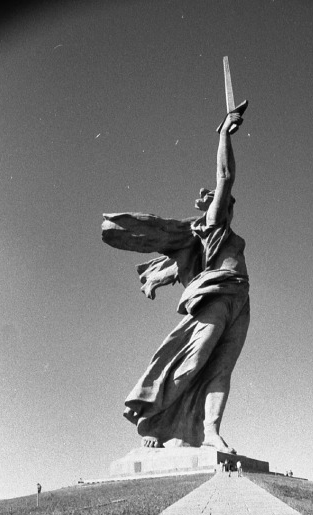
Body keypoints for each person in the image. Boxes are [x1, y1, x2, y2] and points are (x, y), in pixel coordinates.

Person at [102, 110, 248, 455]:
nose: (228, 203)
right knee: (193, 361)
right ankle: (153, 419)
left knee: (221, 370)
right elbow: (226, 175)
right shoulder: (213, 224)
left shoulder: (226, 233)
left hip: (240, 299)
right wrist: (224, 135)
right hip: (215, 297)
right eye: (222, 200)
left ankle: (210, 431)